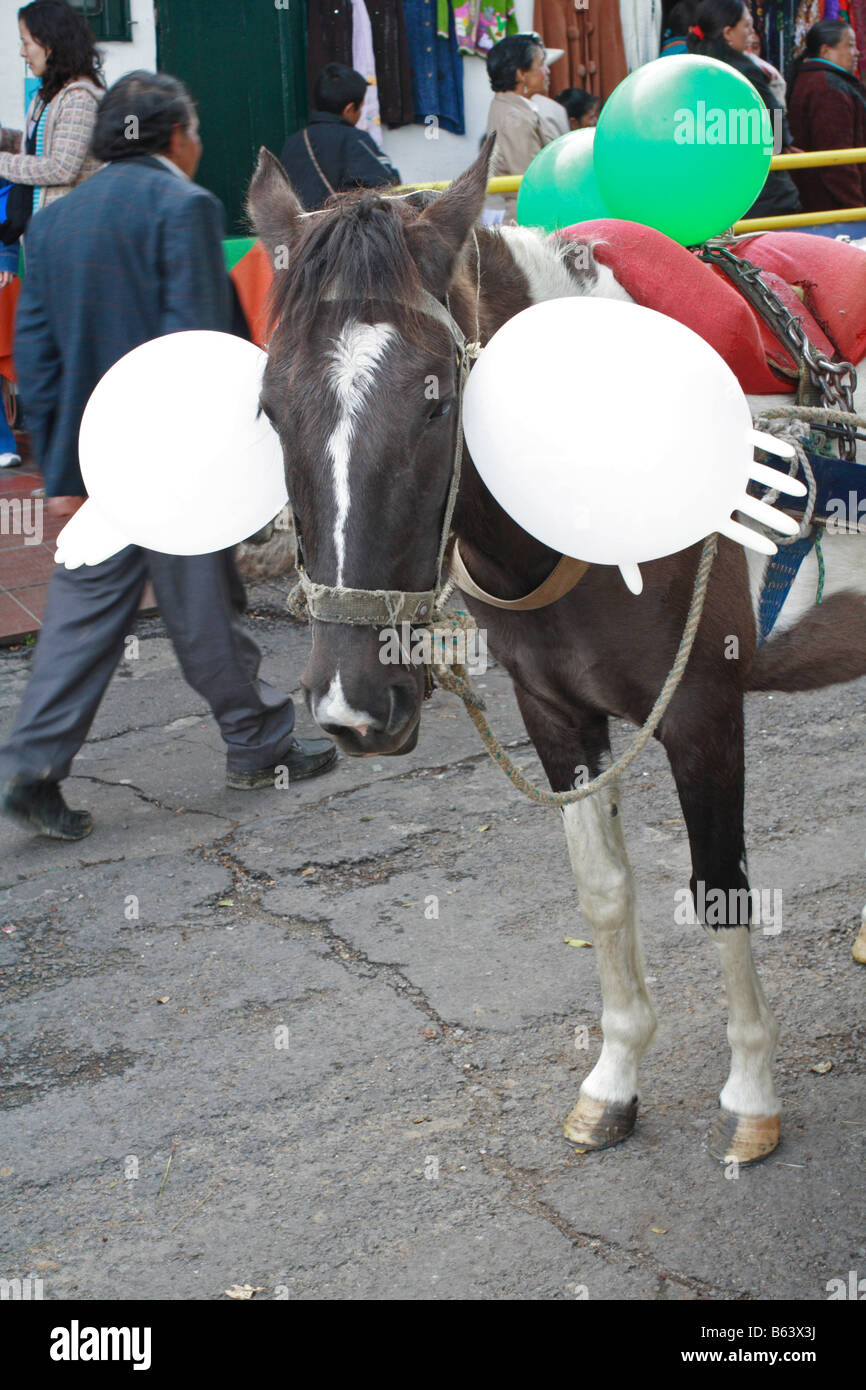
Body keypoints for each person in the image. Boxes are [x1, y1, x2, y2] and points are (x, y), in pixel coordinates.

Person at [0, 71, 336, 842]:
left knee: (86, 615)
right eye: (195, 129)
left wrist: (62, 477)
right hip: (179, 458)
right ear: (172, 137)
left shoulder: (53, 226)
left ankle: (31, 769)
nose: (201, 142)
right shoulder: (182, 207)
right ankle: (257, 743)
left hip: (103, 460)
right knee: (201, 606)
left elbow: (39, 359)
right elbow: (195, 346)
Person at [687, 0, 801, 219]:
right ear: (728, 33)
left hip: (713, 196)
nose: (751, 32)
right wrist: (783, 144)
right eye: (747, 26)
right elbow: (776, 131)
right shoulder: (744, 74)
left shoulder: (690, 70)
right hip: (761, 197)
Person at [0, 1, 103, 228]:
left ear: (51, 43)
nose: (22, 52)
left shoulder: (79, 98)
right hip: (49, 231)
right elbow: (42, 148)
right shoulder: (48, 94)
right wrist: (5, 138)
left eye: (26, 43)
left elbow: (61, 167)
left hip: (71, 232)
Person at [280, 63, 400, 211]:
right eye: (361, 108)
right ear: (349, 109)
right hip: (338, 231)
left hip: (302, 231)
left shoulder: (292, 143)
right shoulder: (355, 140)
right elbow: (388, 183)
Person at [788, 19, 866, 213]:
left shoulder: (819, 80)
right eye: (849, 45)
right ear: (825, 51)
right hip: (831, 206)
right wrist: (856, 210)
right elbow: (838, 162)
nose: (856, 52)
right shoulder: (828, 88)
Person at [485, 32, 558, 221]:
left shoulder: (510, 107)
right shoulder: (515, 118)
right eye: (541, 64)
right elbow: (532, 180)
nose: (547, 71)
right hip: (528, 221)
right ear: (521, 74)